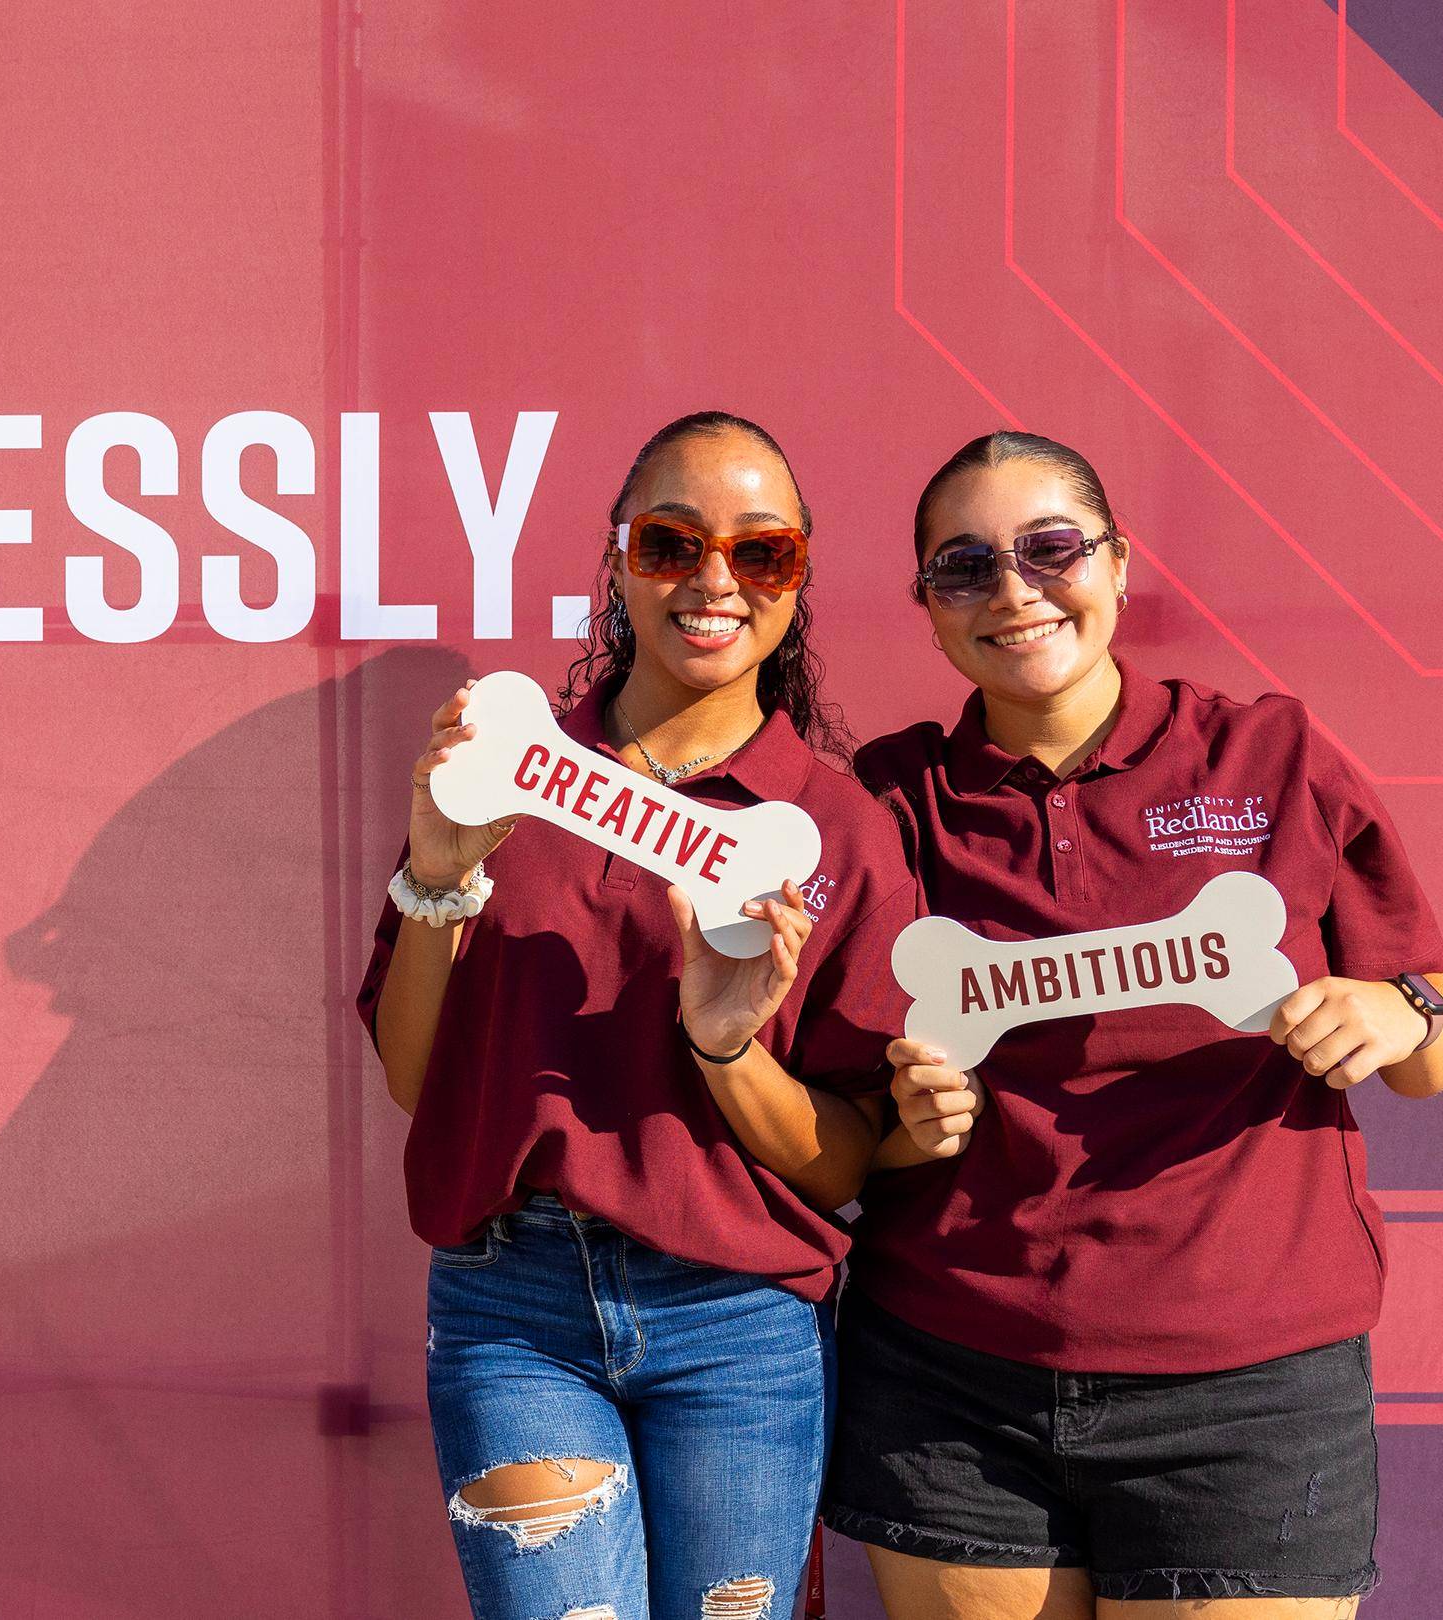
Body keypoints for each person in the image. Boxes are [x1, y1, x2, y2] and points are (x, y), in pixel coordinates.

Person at [823, 432, 1443, 1619]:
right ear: (927, 609)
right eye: (965, 568)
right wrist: (908, 1122)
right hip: (952, 1375)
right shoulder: (889, 800)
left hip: (1250, 1388)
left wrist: (1396, 1011)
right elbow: (839, 1123)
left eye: (1051, 549)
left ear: (1119, 566)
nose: (1015, 590)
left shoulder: (1269, 754)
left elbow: (1440, 1030)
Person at [358, 411, 918, 1620]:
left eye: (762, 554)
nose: (714, 581)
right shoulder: (506, 775)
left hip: (740, 1320)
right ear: (615, 560)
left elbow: (847, 1161)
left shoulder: (838, 831)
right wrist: (440, 878)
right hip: (518, 1310)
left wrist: (724, 1048)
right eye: (672, 543)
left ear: (799, 579)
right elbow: (419, 1082)